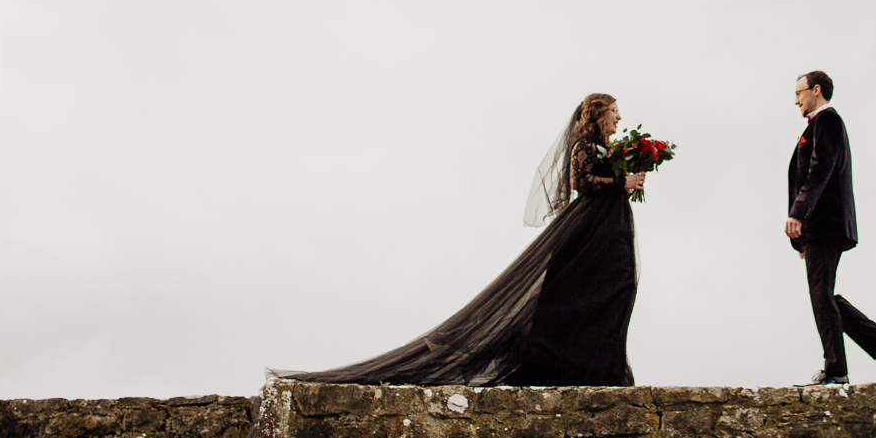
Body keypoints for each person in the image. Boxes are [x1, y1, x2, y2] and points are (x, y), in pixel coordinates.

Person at [272, 93, 644, 387]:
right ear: (597, 112)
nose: (619, 117)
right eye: (614, 110)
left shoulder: (607, 147)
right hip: (586, 226)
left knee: (614, 288)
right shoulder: (583, 142)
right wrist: (620, 183)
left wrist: (631, 171)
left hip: (603, 228)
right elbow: (578, 182)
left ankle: (598, 365)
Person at [786, 70, 876, 385]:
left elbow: (819, 170)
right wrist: (802, 241)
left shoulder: (827, 122)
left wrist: (799, 214)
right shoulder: (819, 125)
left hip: (823, 222)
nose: (795, 99)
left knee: (821, 296)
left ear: (816, 90)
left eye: (799, 92)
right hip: (819, 227)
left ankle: (837, 370)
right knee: (824, 295)